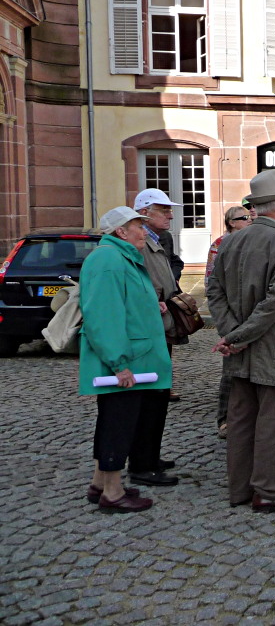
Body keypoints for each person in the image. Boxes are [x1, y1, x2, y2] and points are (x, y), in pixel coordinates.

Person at [206, 169, 275, 513]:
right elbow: (274, 305)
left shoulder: (231, 241)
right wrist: (238, 336)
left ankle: (240, 489)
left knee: (242, 421)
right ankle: (268, 491)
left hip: (242, 352)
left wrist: (232, 333)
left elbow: (213, 291)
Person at [79, 206, 172, 512]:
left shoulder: (120, 257)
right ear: (121, 231)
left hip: (134, 359)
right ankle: (113, 493)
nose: (144, 231)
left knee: (115, 422)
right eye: (138, 226)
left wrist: (150, 306)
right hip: (124, 363)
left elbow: (124, 304)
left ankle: (99, 483)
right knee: (117, 425)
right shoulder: (108, 259)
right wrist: (119, 364)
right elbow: (103, 317)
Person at [130, 187, 185, 486]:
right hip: (149, 329)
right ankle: (142, 463)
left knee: (158, 396)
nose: (170, 214)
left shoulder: (158, 238)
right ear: (146, 212)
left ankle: (150, 455)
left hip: (161, 326)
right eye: (164, 210)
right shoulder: (137, 244)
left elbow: (169, 266)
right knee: (149, 398)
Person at [206, 206, 253, 438]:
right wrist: (228, 327)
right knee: (231, 372)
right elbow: (211, 283)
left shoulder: (254, 241)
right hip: (231, 316)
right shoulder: (220, 244)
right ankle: (224, 419)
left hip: (251, 317)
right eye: (243, 218)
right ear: (231, 222)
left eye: (249, 216)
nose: (248, 220)